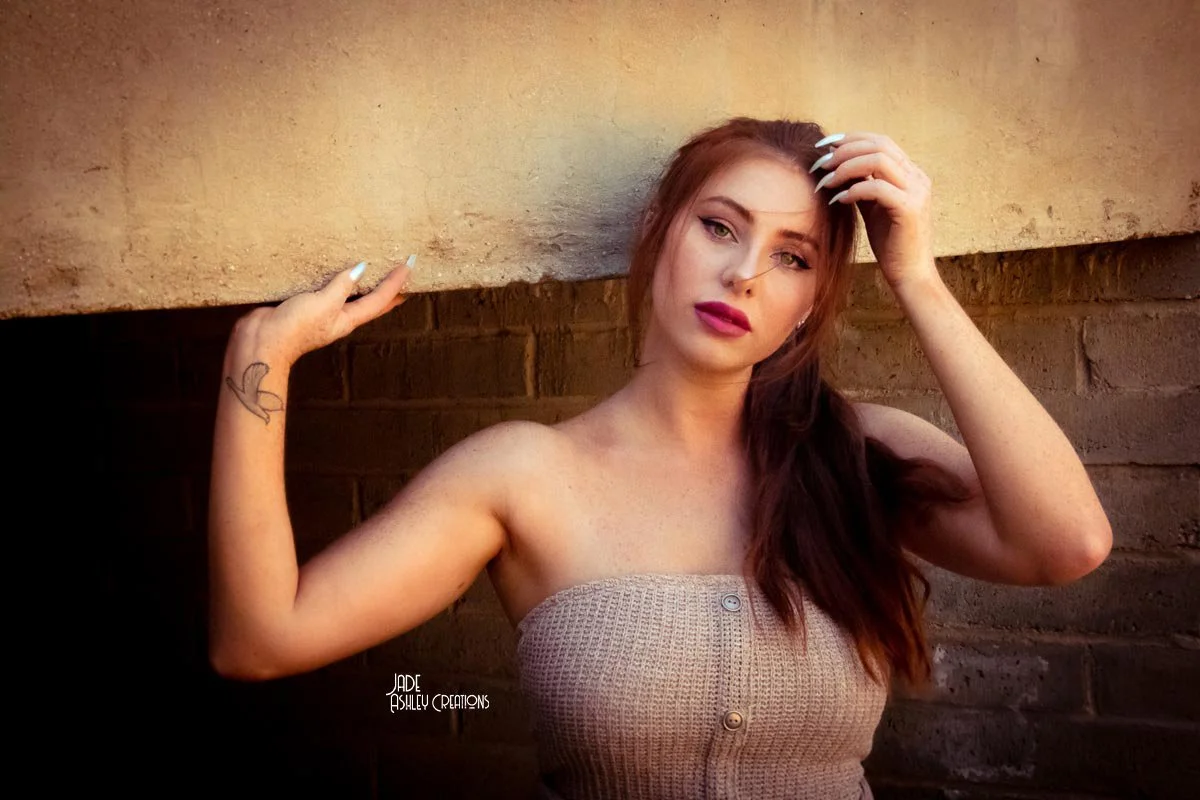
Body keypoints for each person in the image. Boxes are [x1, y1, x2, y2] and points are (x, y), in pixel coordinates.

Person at [208, 117, 1113, 799]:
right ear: (659, 229)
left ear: (810, 304)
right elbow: (261, 639)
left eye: (792, 258)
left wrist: (915, 275)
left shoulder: (855, 454)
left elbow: (1066, 543)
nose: (745, 275)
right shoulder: (521, 477)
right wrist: (260, 357)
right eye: (720, 227)